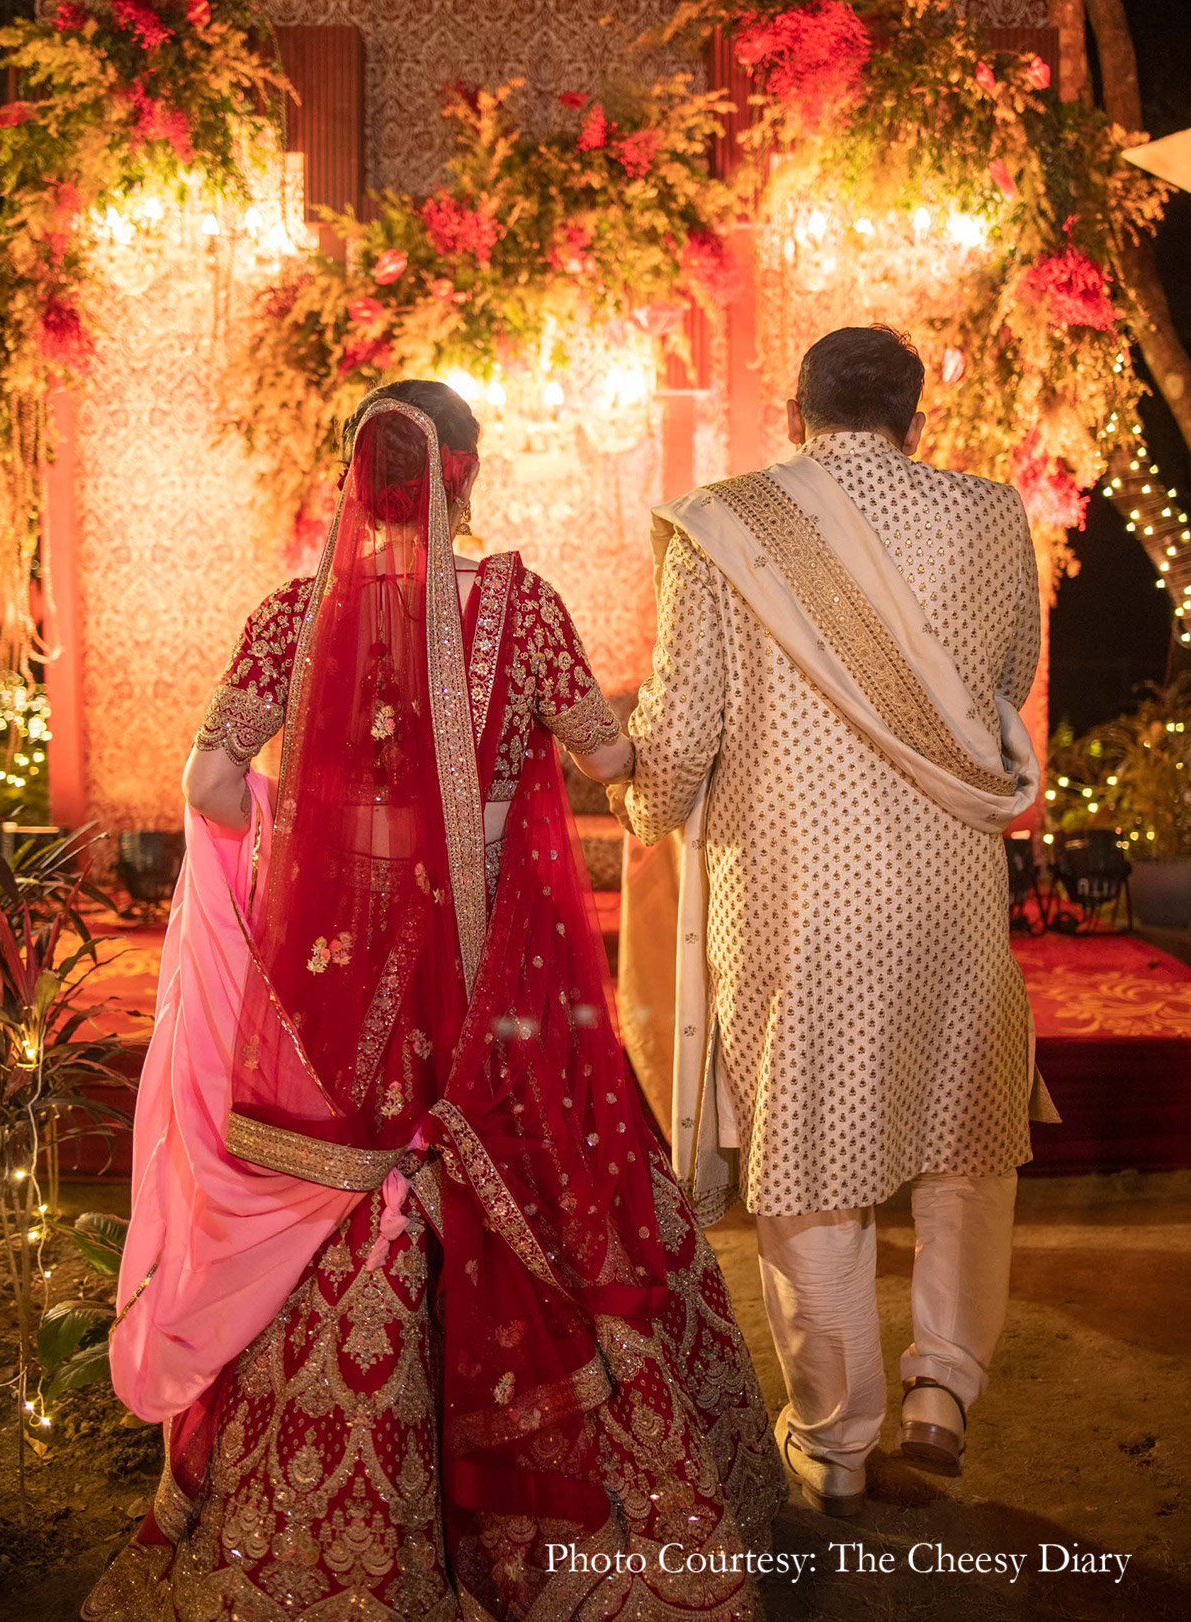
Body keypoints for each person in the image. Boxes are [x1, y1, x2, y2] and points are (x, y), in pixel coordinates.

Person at [82, 380, 784, 1622]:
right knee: (550, 1178)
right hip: (500, 994)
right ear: (468, 471)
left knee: (354, 1177)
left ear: (356, 484)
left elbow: (208, 776)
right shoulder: (522, 607)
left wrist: (310, 867)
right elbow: (609, 758)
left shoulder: (297, 619)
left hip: (344, 988)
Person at [612, 326, 1057, 1520]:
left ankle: (835, 1440)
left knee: (810, 1160)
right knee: (965, 1139)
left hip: (791, 903)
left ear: (796, 411)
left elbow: (683, 730)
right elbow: (999, 683)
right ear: (913, 415)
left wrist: (636, 793)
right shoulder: (986, 514)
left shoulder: (725, 524)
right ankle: (942, 1389)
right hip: (952, 889)